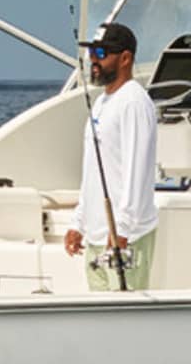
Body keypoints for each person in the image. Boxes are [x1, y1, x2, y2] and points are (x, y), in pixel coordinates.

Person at [64, 21, 160, 292]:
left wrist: (123, 229)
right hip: (97, 238)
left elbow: (137, 171)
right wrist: (78, 222)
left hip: (126, 238)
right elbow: (92, 171)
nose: (94, 61)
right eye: (92, 54)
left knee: (128, 325)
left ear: (125, 58)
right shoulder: (101, 102)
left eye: (102, 54)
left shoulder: (134, 102)